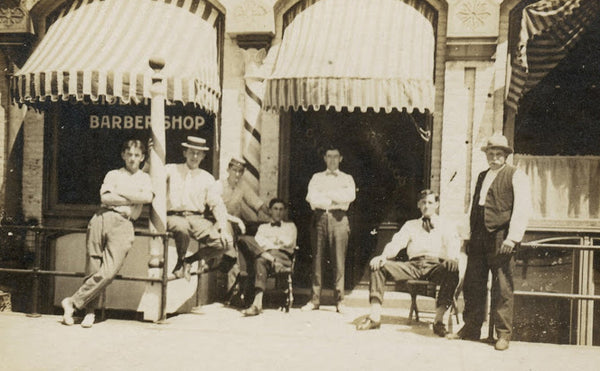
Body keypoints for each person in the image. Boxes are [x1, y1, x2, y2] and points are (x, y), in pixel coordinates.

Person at [448, 133, 530, 351]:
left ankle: (502, 334)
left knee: (502, 285)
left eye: (498, 154)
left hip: (501, 237)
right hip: (478, 235)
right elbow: (473, 207)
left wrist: (512, 238)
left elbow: (522, 208)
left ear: (505, 156)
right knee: (473, 282)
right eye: (491, 154)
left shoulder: (515, 175)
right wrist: (466, 236)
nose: (494, 158)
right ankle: (471, 328)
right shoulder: (482, 176)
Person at [61, 139, 153, 328]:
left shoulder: (144, 178)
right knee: (93, 267)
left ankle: (72, 302)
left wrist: (119, 193)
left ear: (142, 157)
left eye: (137, 155)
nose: (132, 159)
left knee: (109, 271)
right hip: (100, 218)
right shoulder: (113, 174)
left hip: (124, 224)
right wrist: (131, 196)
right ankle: (89, 313)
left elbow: (147, 197)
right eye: (129, 154)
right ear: (123, 155)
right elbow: (105, 197)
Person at [356, 190, 460, 336]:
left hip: (435, 266)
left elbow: (453, 243)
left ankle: (438, 321)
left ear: (436, 205)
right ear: (418, 205)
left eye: (430, 203)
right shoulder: (411, 225)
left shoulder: (445, 224)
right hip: (413, 266)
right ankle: (374, 316)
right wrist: (383, 256)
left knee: (453, 270)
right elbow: (397, 243)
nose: (426, 206)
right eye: (423, 202)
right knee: (378, 266)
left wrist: (452, 258)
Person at [166, 136, 233, 284]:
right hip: (174, 216)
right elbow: (153, 176)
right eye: (191, 152)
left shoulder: (207, 178)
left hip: (197, 218)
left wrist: (222, 227)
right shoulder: (171, 169)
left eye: (198, 153)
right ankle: (180, 260)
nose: (194, 156)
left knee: (225, 244)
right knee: (181, 227)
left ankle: (189, 261)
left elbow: (216, 204)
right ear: (185, 153)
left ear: (203, 156)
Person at [302, 145, 356, 314]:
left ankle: (340, 301)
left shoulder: (347, 178)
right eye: (329, 156)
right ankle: (314, 300)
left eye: (335, 156)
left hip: (339, 219)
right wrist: (334, 197)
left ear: (341, 158)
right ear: (324, 158)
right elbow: (311, 198)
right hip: (320, 218)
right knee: (317, 259)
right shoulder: (316, 177)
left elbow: (349, 198)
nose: (332, 160)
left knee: (339, 260)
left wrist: (326, 194)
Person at [217, 155, 270, 301]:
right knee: (232, 251)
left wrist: (272, 215)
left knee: (240, 254)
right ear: (228, 169)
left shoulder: (242, 187)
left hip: (235, 227)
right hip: (218, 223)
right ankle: (229, 292)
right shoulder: (219, 185)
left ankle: (234, 294)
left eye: (241, 171)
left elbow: (257, 203)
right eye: (235, 170)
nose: (238, 174)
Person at [240, 198, 297, 316]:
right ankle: (257, 304)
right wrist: (275, 241)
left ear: (285, 212)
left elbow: (288, 242)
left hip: (282, 257)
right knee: (244, 240)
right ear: (270, 211)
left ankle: (256, 304)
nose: (278, 212)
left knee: (260, 259)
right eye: (275, 209)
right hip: (267, 257)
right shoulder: (263, 228)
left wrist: (269, 242)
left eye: (281, 209)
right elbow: (258, 242)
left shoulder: (290, 227)